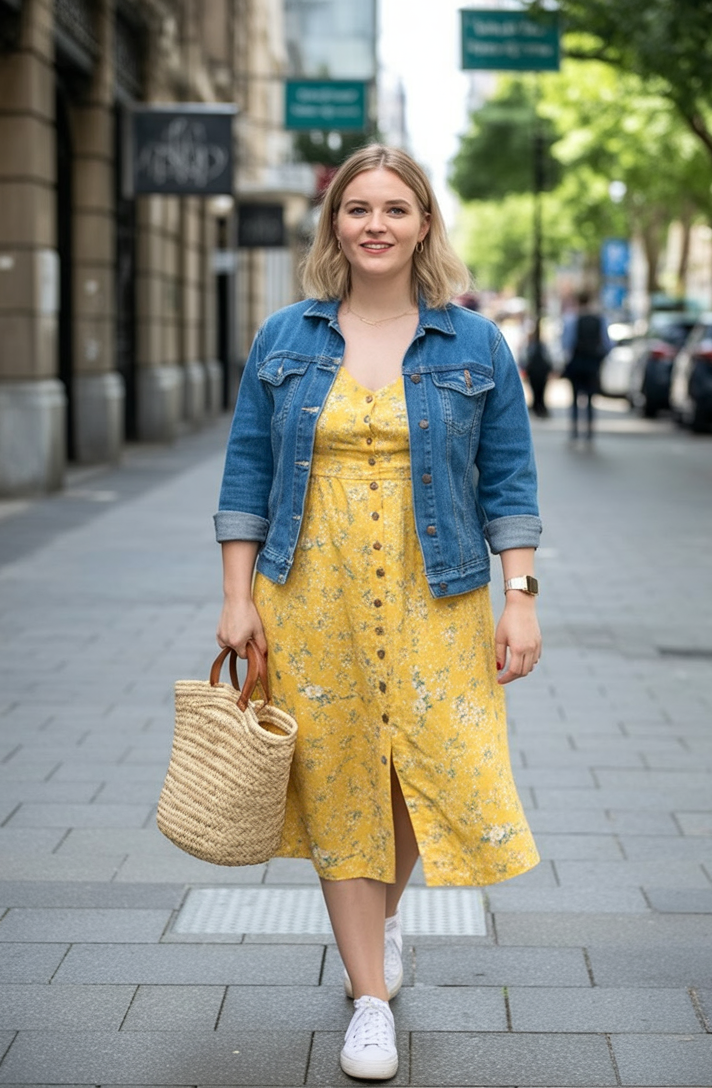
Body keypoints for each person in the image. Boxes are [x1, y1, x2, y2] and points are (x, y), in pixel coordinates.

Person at [214, 144, 542, 1081]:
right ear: (335, 226)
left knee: (414, 770)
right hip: (308, 590)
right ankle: (368, 999)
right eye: (357, 208)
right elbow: (246, 474)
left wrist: (520, 599)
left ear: (424, 223)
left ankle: (382, 920)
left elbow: (510, 482)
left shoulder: (474, 344)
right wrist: (237, 597)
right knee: (336, 777)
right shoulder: (285, 338)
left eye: (395, 209)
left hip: (434, 591)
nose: (375, 224)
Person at [562, 290, 612, 440]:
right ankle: (589, 431)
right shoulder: (600, 320)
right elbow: (608, 344)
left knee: (575, 398)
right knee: (590, 398)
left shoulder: (572, 319)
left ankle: (574, 430)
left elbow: (566, 343)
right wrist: (601, 357)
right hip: (592, 364)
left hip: (576, 362)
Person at [524, 320, 554, 417]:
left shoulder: (531, 346)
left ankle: (538, 407)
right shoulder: (539, 346)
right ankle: (539, 407)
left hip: (535, 370)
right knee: (540, 391)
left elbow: (525, 358)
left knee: (537, 391)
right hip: (540, 370)